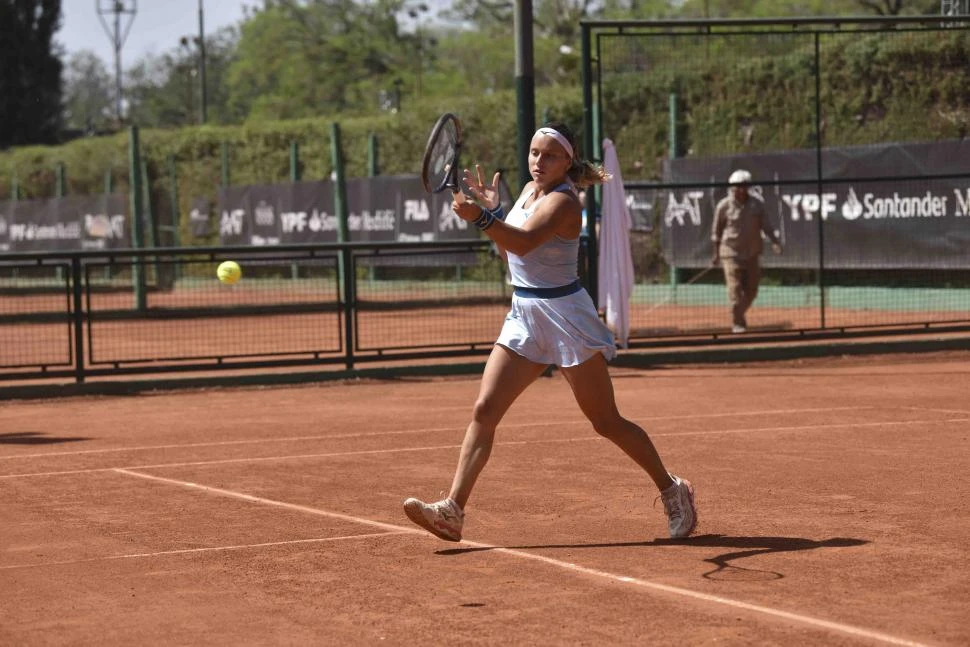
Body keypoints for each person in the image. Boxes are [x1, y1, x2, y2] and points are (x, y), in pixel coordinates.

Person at [403, 122, 697, 542]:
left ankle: (673, 490)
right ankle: (452, 510)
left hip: (566, 316)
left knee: (605, 421)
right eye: (534, 152)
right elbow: (508, 248)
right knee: (485, 409)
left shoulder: (564, 204)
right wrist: (496, 216)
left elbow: (524, 244)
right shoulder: (526, 190)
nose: (539, 161)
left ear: (568, 162)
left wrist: (483, 216)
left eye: (550, 155)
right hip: (524, 313)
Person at [711, 169, 783, 334]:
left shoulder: (757, 204)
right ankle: (738, 321)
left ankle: (738, 311)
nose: (741, 190)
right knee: (734, 288)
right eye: (738, 187)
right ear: (732, 188)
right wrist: (715, 253)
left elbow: (767, 225)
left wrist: (775, 242)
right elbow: (716, 231)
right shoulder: (723, 206)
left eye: (744, 186)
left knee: (752, 290)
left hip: (752, 253)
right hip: (730, 253)